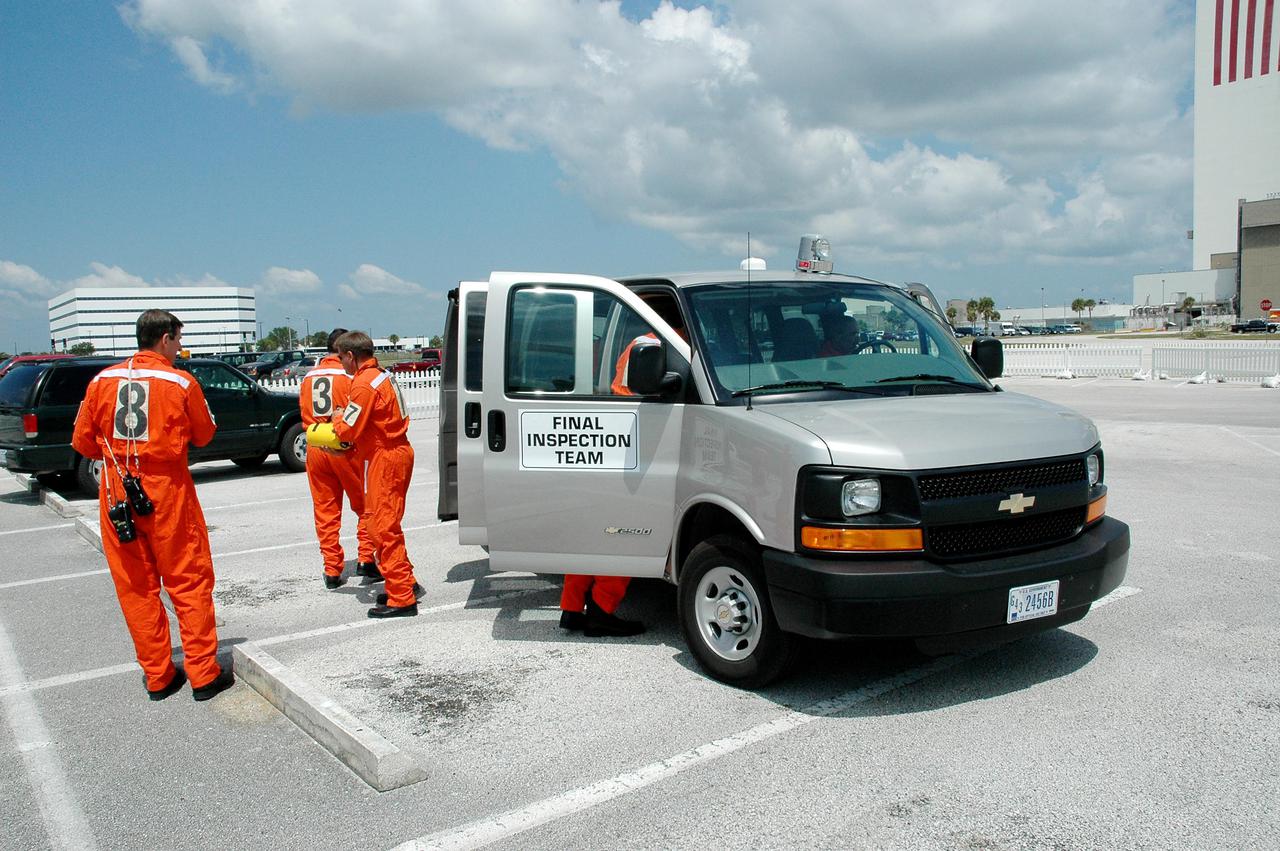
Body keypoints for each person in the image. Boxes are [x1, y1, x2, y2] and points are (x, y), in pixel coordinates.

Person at [71, 310, 234, 701]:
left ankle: (158, 676)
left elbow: (83, 442)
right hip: (165, 488)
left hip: (115, 487)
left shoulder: (102, 380)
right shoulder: (179, 380)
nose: (179, 348)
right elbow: (205, 433)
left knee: (135, 586)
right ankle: (202, 674)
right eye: (177, 340)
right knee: (188, 578)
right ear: (164, 339)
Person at [561, 296, 689, 638]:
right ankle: (602, 611)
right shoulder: (670, 345)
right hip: (639, 447)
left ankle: (572, 608)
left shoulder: (641, 342)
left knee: (593, 532)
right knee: (625, 536)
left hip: (618, 442)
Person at [329, 331, 421, 618]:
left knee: (382, 527)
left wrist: (337, 419)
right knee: (386, 523)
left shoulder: (364, 385)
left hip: (384, 457)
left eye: (340, 357)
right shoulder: (382, 375)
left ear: (351, 356)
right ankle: (403, 582)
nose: (339, 363)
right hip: (395, 452)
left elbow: (348, 430)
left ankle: (402, 597)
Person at [299, 328, 379, 590]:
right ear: (345, 351)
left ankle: (332, 568)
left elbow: (303, 412)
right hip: (345, 448)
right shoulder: (348, 375)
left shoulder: (309, 376)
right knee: (364, 506)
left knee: (325, 511)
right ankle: (367, 559)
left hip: (315, 447)